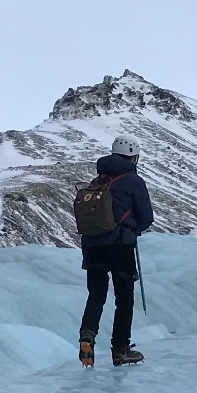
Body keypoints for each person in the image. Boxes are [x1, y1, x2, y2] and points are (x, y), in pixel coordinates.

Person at [77, 135, 154, 367]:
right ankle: (120, 349)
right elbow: (146, 217)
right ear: (133, 157)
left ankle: (87, 335)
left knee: (96, 295)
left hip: (92, 246)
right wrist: (134, 230)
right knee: (124, 298)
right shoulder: (133, 181)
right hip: (120, 245)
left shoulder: (98, 180)